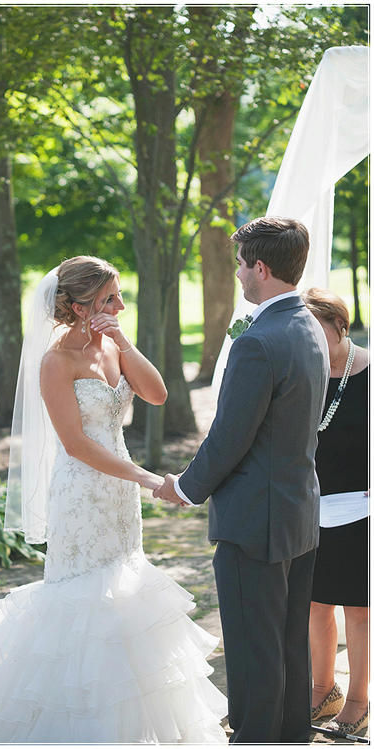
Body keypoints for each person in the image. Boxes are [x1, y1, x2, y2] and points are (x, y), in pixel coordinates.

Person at [0, 256, 228, 743]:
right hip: (82, 492)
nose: (119, 305)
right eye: (108, 300)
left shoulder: (113, 347)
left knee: (122, 596)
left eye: (118, 297)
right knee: (83, 601)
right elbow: (75, 444)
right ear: (77, 307)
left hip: (118, 493)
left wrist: (122, 340)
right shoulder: (56, 361)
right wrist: (148, 479)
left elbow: (155, 394)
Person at [155, 216, 330, 743]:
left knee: (254, 649)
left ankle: (258, 737)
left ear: (262, 267)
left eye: (240, 263)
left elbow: (231, 436)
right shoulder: (308, 326)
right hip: (297, 512)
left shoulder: (259, 341)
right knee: (287, 642)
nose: (235, 272)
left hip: (255, 522)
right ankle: (291, 734)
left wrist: (184, 487)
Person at [301, 287, 369, 736]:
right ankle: (323, 690)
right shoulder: (301, 367)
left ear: (341, 327)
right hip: (310, 505)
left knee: (360, 608)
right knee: (315, 604)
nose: (313, 345)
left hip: (363, 505)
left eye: (321, 334)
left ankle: (361, 701)